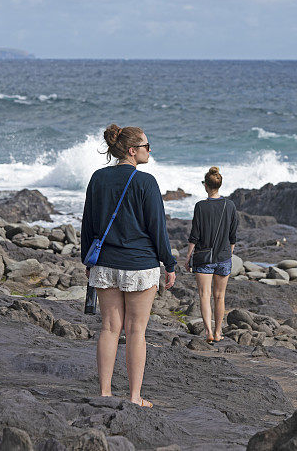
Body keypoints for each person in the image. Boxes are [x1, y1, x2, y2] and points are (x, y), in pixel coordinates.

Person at [81, 124, 176, 408]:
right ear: (133, 151)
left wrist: (87, 259)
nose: (150, 150)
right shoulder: (146, 182)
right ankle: (134, 398)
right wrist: (169, 263)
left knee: (109, 328)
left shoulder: (98, 178)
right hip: (140, 264)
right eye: (147, 146)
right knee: (136, 331)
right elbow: (157, 227)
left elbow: (88, 223)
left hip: (106, 264)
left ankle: (105, 393)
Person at [184, 167, 238, 343]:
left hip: (203, 258)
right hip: (223, 258)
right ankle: (218, 332)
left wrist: (188, 257)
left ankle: (208, 331)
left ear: (206, 186)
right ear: (219, 185)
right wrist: (228, 253)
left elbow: (195, 235)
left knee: (204, 296)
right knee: (220, 296)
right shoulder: (229, 205)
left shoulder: (200, 206)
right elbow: (233, 235)